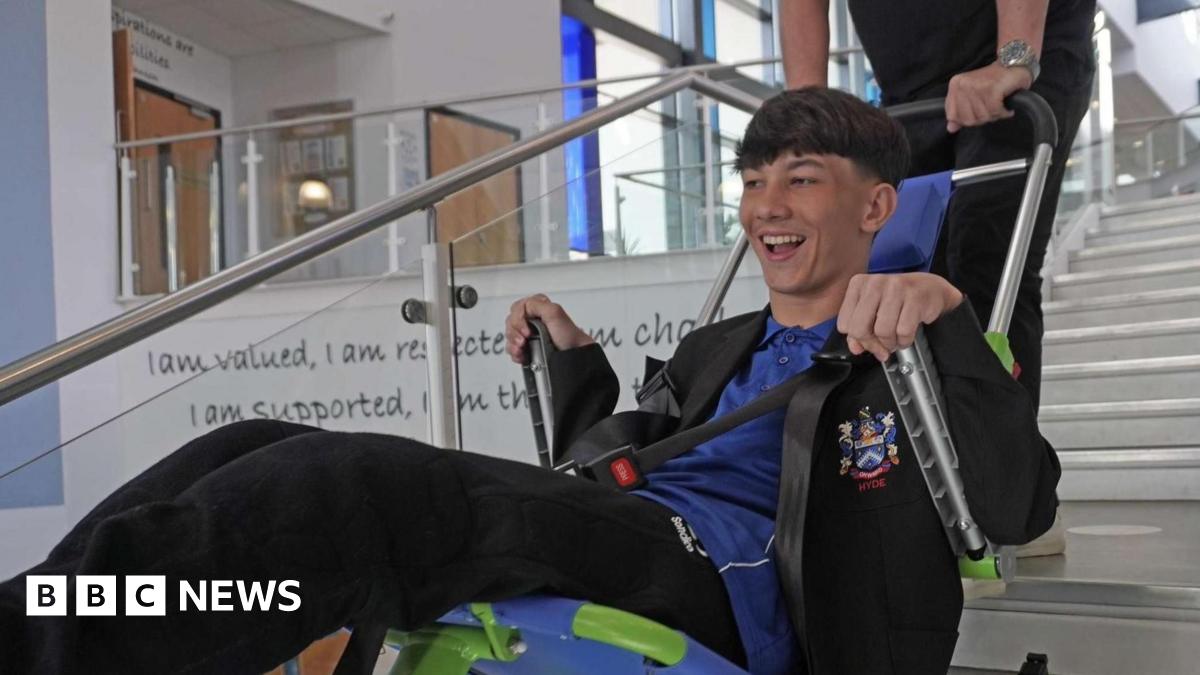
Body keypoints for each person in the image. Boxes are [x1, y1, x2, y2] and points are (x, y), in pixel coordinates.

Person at [0, 88, 1058, 675]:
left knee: (350, 486)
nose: (766, 206)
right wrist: (574, 357)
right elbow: (628, 446)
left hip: (742, 577)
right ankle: (42, 611)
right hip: (640, 524)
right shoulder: (719, 345)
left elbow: (1014, 503)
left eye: (803, 180)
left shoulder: (910, 337)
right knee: (253, 439)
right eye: (753, 181)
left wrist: (950, 323)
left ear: (877, 211)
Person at [780, 0, 1097, 411]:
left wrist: (1014, 58)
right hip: (909, 82)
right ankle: (914, 456)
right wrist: (807, 112)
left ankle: (1000, 459)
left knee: (986, 260)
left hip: (1017, 53)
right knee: (894, 267)